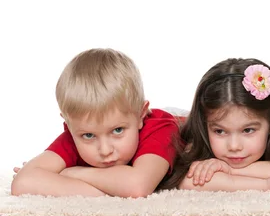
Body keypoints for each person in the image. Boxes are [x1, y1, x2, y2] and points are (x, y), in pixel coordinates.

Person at [11, 48, 180, 197]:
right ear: (69, 127)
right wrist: (111, 192)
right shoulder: (75, 136)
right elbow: (23, 182)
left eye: (118, 130)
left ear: (141, 115)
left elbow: (137, 187)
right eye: (89, 135)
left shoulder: (160, 128)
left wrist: (72, 173)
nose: (105, 150)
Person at [159, 58, 270, 192]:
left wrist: (228, 169)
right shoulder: (193, 139)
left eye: (248, 130)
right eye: (220, 131)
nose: (234, 146)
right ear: (204, 125)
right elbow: (187, 181)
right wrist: (263, 184)